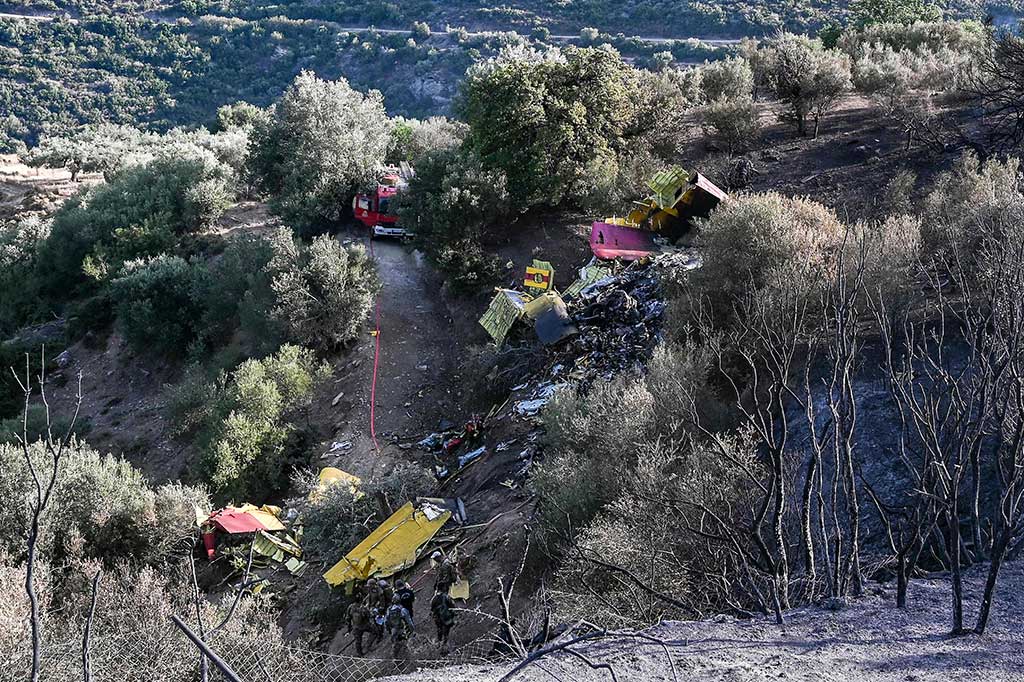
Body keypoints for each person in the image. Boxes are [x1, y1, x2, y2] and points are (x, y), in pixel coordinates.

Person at [385, 593, 415, 670]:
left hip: (393, 631)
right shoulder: (403, 610)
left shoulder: (389, 610)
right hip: (402, 630)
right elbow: (409, 622)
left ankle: (396, 663)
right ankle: (408, 661)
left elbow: (386, 622)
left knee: (395, 646)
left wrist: (389, 630)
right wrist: (412, 631)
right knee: (405, 645)